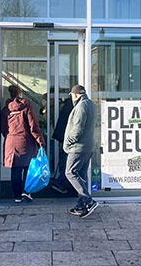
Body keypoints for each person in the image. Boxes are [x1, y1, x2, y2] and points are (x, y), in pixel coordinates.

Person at [0, 85, 45, 203]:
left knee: (15, 170)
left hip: (11, 142)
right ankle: (26, 192)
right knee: (27, 168)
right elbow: (33, 126)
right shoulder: (26, 106)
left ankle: (17, 196)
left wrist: (10, 137)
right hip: (26, 141)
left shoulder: (5, 109)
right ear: (20, 94)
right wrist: (40, 140)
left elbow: (3, 128)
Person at [64, 84, 98, 218]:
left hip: (78, 147)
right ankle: (81, 205)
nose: (71, 98)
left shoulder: (81, 106)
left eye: (72, 95)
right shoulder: (90, 104)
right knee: (81, 175)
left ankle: (88, 201)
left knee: (70, 172)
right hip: (88, 146)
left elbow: (78, 129)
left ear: (76, 95)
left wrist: (68, 142)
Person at [51, 96, 74, 194]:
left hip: (62, 136)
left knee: (65, 161)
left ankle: (61, 182)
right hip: (67, 138)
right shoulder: (74, 105)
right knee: (69, 163)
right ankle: (59, 182)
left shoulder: (68, 104)